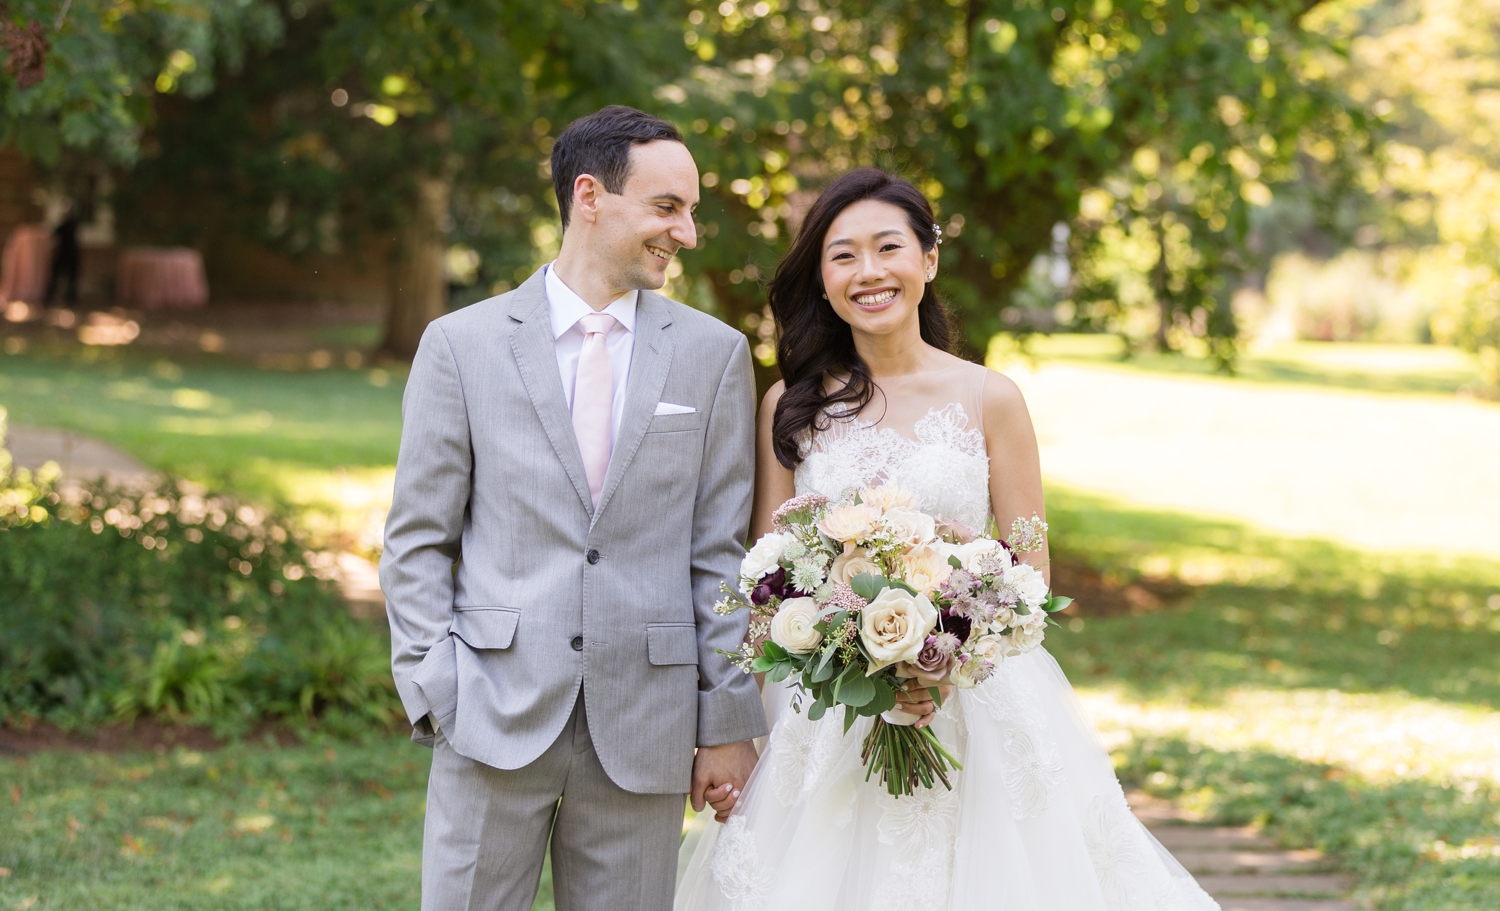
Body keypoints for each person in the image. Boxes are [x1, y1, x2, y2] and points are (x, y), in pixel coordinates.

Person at [675, 168, 1220, 911]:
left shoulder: (991, 397)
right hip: (824, 715)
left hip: (971, 708)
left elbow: (1030, 570)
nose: (868, 272)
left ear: (927, 260)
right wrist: (804, 681)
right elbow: (766, 584)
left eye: (888, 247)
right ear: (823, 280)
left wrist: (940, 659)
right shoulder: (791, 406)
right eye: (842, 256)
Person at [381, 105, 766, 911]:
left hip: (647, 723)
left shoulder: (714, 356)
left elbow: (718, 556)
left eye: (691, 211)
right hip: (490, 710)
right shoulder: (462, 345)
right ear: (590, 196)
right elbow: (418, 538)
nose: (688, 232)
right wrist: (434, 684)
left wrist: (727, 719)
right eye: (669, 208)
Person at [45, 205, 81, 307]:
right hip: (71, 254)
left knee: (61, 276)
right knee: (69, 277)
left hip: (65, 254)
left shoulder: (67, 225)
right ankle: (68, 296)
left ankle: (66, 296)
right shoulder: (74, 224)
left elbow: (54, 234)